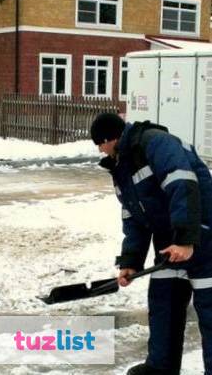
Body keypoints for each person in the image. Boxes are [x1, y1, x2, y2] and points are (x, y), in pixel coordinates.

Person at [90, 113, 212, 375]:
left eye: (99, 144)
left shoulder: (156, 143)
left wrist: (187, 240)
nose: (100, 150)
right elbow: (134, 218)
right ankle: (161, 368)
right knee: (163, 301)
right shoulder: (121, 169)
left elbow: (183, 184)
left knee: (210, 308)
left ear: (111, 138)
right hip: (171, 240)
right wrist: (130, 262)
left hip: (203, 233)